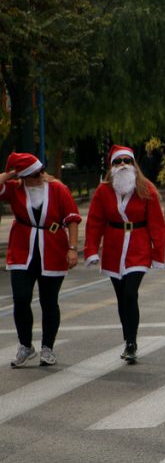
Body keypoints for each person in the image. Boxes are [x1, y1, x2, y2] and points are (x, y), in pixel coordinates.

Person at [83, 145, 165, 363]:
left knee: (130, 293)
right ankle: (127, 339)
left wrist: (158, 254)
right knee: (122, 298)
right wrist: (91, 250)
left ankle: (132, 342)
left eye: (126, 161)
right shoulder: (103, 191)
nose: (122, 166)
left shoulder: (146, 188)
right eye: (117, 162)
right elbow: (94, 222)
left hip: (138, 246)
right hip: (113, 247)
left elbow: (157, 224)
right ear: (111, 167)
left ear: (133, 164)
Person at [1, 153, 81, 367]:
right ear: (24, 176)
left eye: (41, 171)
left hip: (53, 250)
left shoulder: (58, 189)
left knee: (48, 301)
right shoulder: (15, 189)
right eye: (35, 174)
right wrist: (10, 174)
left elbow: (72, 218)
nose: (41, 176)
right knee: (21, 298)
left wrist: (73, 248)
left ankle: (48, 348)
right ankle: (26, 346)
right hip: (21, 251)